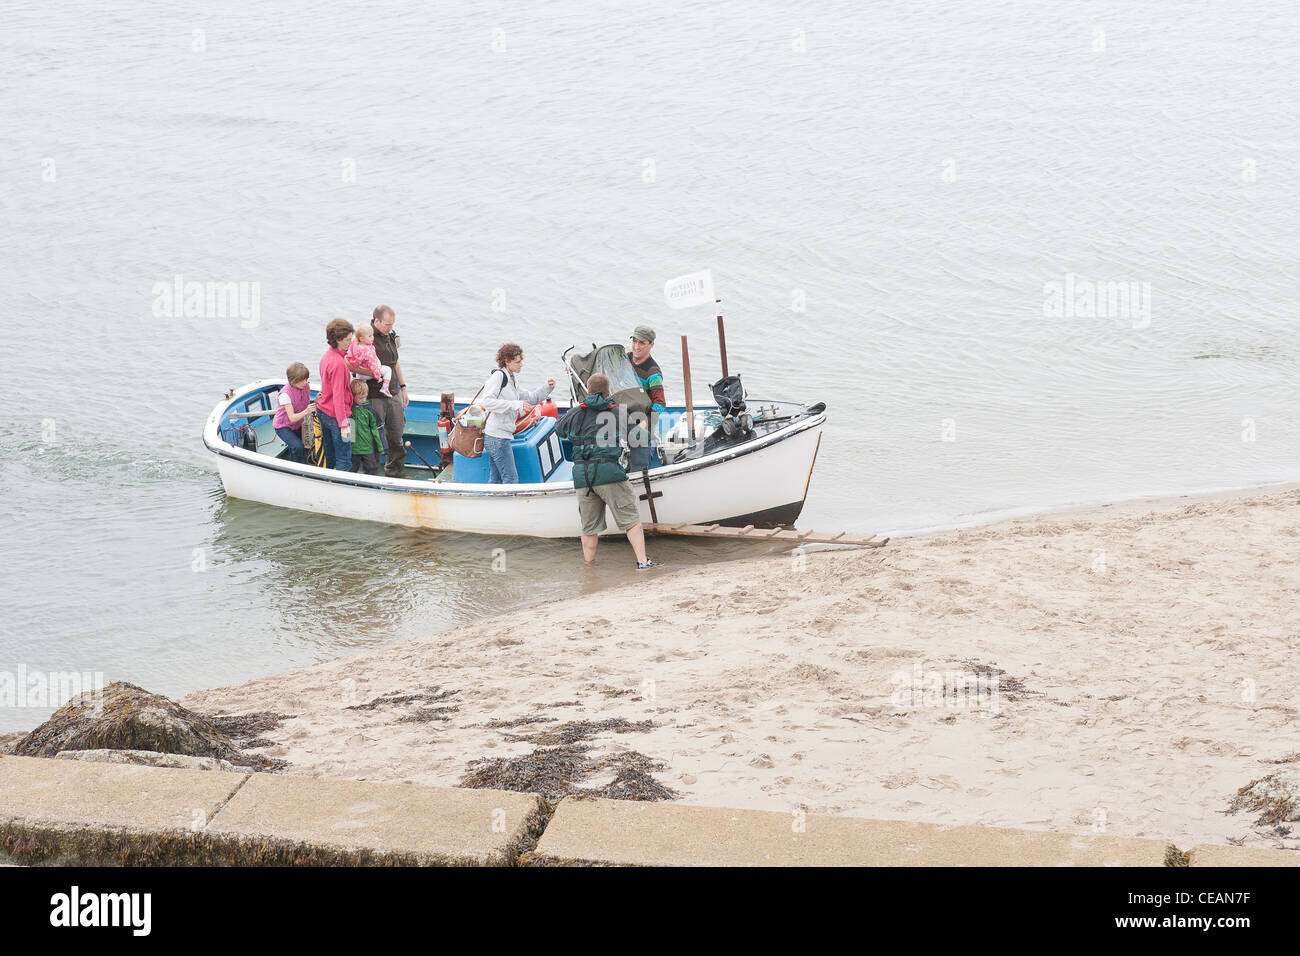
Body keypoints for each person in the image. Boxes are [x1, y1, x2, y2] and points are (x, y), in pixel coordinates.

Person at [556, 373, 659, 569]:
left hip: (582, 477)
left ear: (588, 391)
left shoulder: (576, 412)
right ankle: (643, 563)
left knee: (589, 529)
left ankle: (589, 568)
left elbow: (559, 430)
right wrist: (643, 426)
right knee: (631, 521)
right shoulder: (616, 412)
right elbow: (638, 439)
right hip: (609, 472)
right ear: (608, 391)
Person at [480, 343, 555, 484]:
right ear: (507, 361)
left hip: (496, 437)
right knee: (511, 479)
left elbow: (531, 398)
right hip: (497, 438)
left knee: (495, 479)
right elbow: (487, 402)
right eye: (518, 362)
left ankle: (493, 504)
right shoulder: (498, 376)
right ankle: (507, 506)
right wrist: (516, 405)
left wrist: (547, 388)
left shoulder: (511, 379)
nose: (521, 365)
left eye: (521, 361)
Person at [365, 305, 408, 478]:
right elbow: (352, 364)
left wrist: (403, 388)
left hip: (394, 391)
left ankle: (394, 471)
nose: (390, 328)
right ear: (376, 321)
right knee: (375, 437)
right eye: (387, 324)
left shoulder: (390, 335)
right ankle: (372, 475)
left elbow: (395, 362)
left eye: (392, 324)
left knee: (396, 435)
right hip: (375, 395)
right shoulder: (365, 337)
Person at [318, 318, 355, 472]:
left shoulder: (327, 356)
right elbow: (339, 396)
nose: (350, 343)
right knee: (344, 458)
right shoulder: (339, 364)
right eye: (347, 340)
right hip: (336, 416)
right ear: (338, 340)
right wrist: (344, 424)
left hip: (323, 412)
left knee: (330, 454)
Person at [628, 324, 666, 471]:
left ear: (651, 345)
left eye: (642, 343)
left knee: (639, 465)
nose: (636, 347)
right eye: (634, 341)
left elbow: (660, 403)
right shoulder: (626, 359)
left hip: (641, 421)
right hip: (623, 414)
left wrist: (645, 422)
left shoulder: (653, 373)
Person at [272, 362, 316, 464]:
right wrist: (307, 411)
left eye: (306, 379)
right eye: (301, 380)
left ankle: (296, 462)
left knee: (307, 444)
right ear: (292, 381)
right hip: (283, 426)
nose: (305, 382)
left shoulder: (306, 387)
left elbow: (305, 403)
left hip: (297, 424)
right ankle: (297, 469)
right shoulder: (285, 395)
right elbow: (291, 417)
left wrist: (316, 401)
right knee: (297, 447)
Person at [346, 323, 394, 397]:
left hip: (360, 373)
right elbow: (372, 365)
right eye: (370, 336)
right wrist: (377, 376)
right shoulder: (368, 351)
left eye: (372, 335)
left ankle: (357, 395)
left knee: (361, 386)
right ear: (361, 338)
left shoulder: (355, 345)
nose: (372, 338)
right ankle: (385, 388)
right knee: (388, 370)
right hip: (368, 372)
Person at [348, 379, 384, 475]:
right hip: (353, 448)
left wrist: (381, 447)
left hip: (367, 447)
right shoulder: (347, 409)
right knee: (352, 468)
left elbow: (376, 429)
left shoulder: (370, 411)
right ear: (352, 396)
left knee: (372, 468)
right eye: (360, 398)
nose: (364, 400)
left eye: (365, 397)